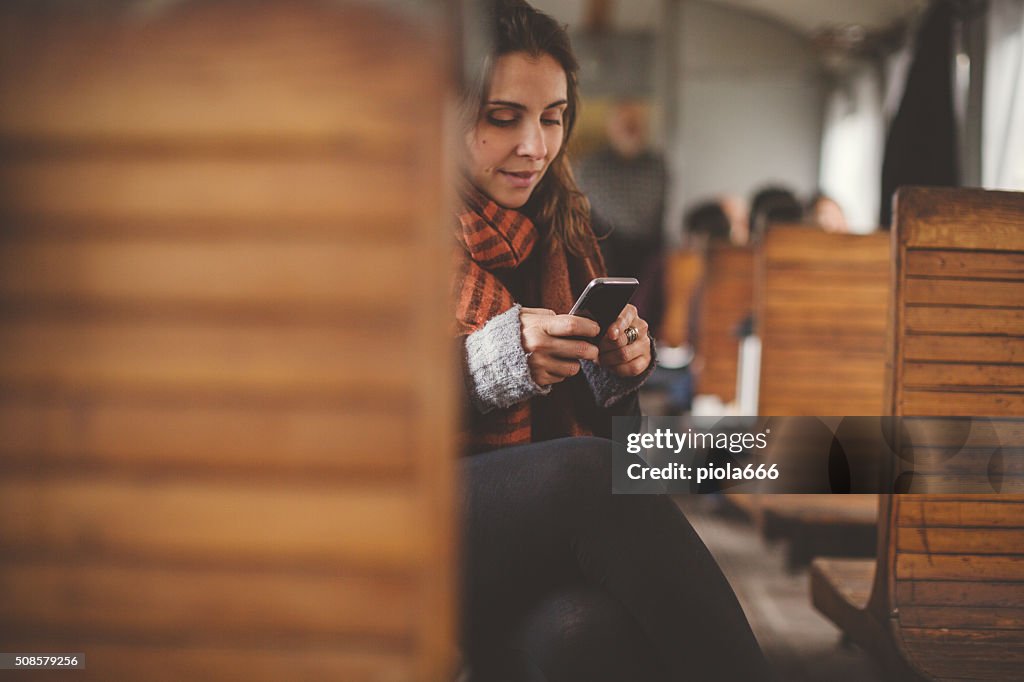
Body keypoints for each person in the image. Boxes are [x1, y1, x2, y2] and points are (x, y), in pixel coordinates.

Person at [454, 2, 775, 680]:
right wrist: (493, 363)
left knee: (583, 634)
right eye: (502, 117)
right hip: (404, 509)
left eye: (552, 117)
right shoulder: (385, 221)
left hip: (519, 542)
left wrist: (615, 375)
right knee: (594, 473)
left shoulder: (563, 233)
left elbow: (610, 436)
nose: (534, 146)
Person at [575, 100, 668, 279]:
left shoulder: (656, 165)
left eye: (634, 125)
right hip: (606, 257)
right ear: (612, 127)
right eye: (625, 125)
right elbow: (605, 212)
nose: (630, 131)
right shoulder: (592, 166)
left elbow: (654, 212)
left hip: (650, 259)